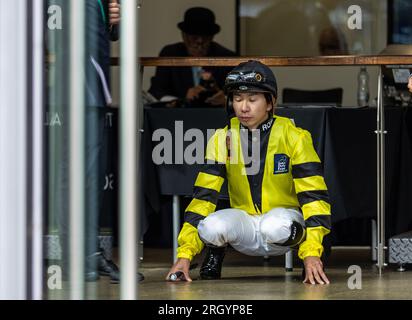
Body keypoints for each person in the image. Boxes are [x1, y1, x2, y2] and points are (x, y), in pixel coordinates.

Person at [166, 60, 331, 285]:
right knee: (210, 226)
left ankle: (313, 253)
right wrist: (184, 256)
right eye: (237, 99)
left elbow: (314, 198)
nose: (244, 107)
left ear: (271, 103)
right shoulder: (221, 139)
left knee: (274, 225)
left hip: (282, 227)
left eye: (252, 99)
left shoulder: (295, 136)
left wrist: (312, 251)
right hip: (245, 227)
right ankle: (216, 250)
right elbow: (202, 199)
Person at [57, 0, 143, 283]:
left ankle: (89, 253)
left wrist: (114, 20)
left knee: (90, 179)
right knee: (76, 177)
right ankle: (78, 257)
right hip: (75, 84)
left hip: (94, 86)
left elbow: (108, 31)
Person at [148, 7, 236, 108]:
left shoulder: (226, 57)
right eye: (194, 36)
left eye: (205, 36)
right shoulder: (170, 55)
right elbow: (156, 91)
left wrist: (225, 99)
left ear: (212, 37)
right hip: (179, 118)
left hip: (216, 117)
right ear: (184, 36)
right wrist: (181, 99)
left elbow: (242, 94)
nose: (199, 41)